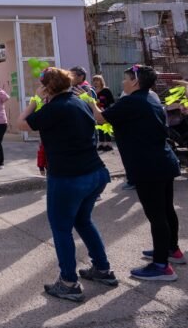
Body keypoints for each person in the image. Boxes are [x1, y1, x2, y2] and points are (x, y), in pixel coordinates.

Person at [18, 67, 116, 302]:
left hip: (68, 178)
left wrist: (36, 100)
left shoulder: (54, 108)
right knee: (83, 221)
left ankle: (69, 283)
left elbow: (21, 123)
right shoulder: (78, 102)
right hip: (95, 172)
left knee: (61, 228)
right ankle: (103, 269)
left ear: (47, 87)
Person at [90, 65, 184, 281]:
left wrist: (90, 101)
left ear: (135, 81)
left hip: (148, 166)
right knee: (166, 210)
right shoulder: (151, 97)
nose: (123, 82)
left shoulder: (132, 101)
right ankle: (172, 249)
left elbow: (101, 118)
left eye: (126, 78)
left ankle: (161, 266)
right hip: (164, 161)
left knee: (156, 215)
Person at [91, 75, 115, 152]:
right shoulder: (92, 91)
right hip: (97, 111)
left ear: (101, 81)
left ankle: (108, 144)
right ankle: (101, 143)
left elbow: (111, 101)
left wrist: (106, 107)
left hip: (106, 110)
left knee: (106, 127)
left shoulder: (106, 90)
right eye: (94, 80)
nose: (95, 82)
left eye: (97, 80)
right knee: (99, 127)